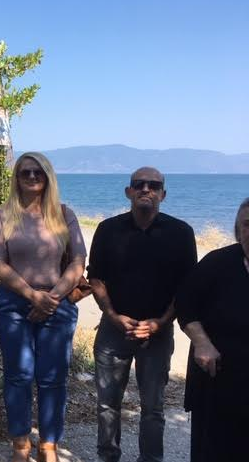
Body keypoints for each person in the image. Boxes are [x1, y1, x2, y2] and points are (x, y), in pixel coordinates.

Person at [88, 167, 197, 462]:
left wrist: (161, 322)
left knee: (153, 408)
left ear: (163, 194)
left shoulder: (181, 233)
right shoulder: (108, 230)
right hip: (113, 330)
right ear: (129, 192)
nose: (146, 189)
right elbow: (95, 278)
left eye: (153, 185)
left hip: (157, 334)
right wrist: (112, 315)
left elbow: (187, 287)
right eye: (139, 184)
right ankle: (107, 457)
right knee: (107, 404)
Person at [0, 152, 86, 462]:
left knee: (53, 377)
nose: (32, 177)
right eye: (25, 172)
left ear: (48, 177)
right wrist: (32, 296)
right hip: (14, 303)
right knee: (18, 375)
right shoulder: (3, 216)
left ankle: (48, 445)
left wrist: (52, 297)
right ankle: (20, 444)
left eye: (38, 172)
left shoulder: (64, 214)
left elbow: (78, 261)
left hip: (58, 302)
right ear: (17, 178)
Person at [175, 198, 249, 462]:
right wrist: (201, 342)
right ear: (238, 230)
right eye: (247, 224)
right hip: (217, 381)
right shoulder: (217, 263)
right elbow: (185, 304)